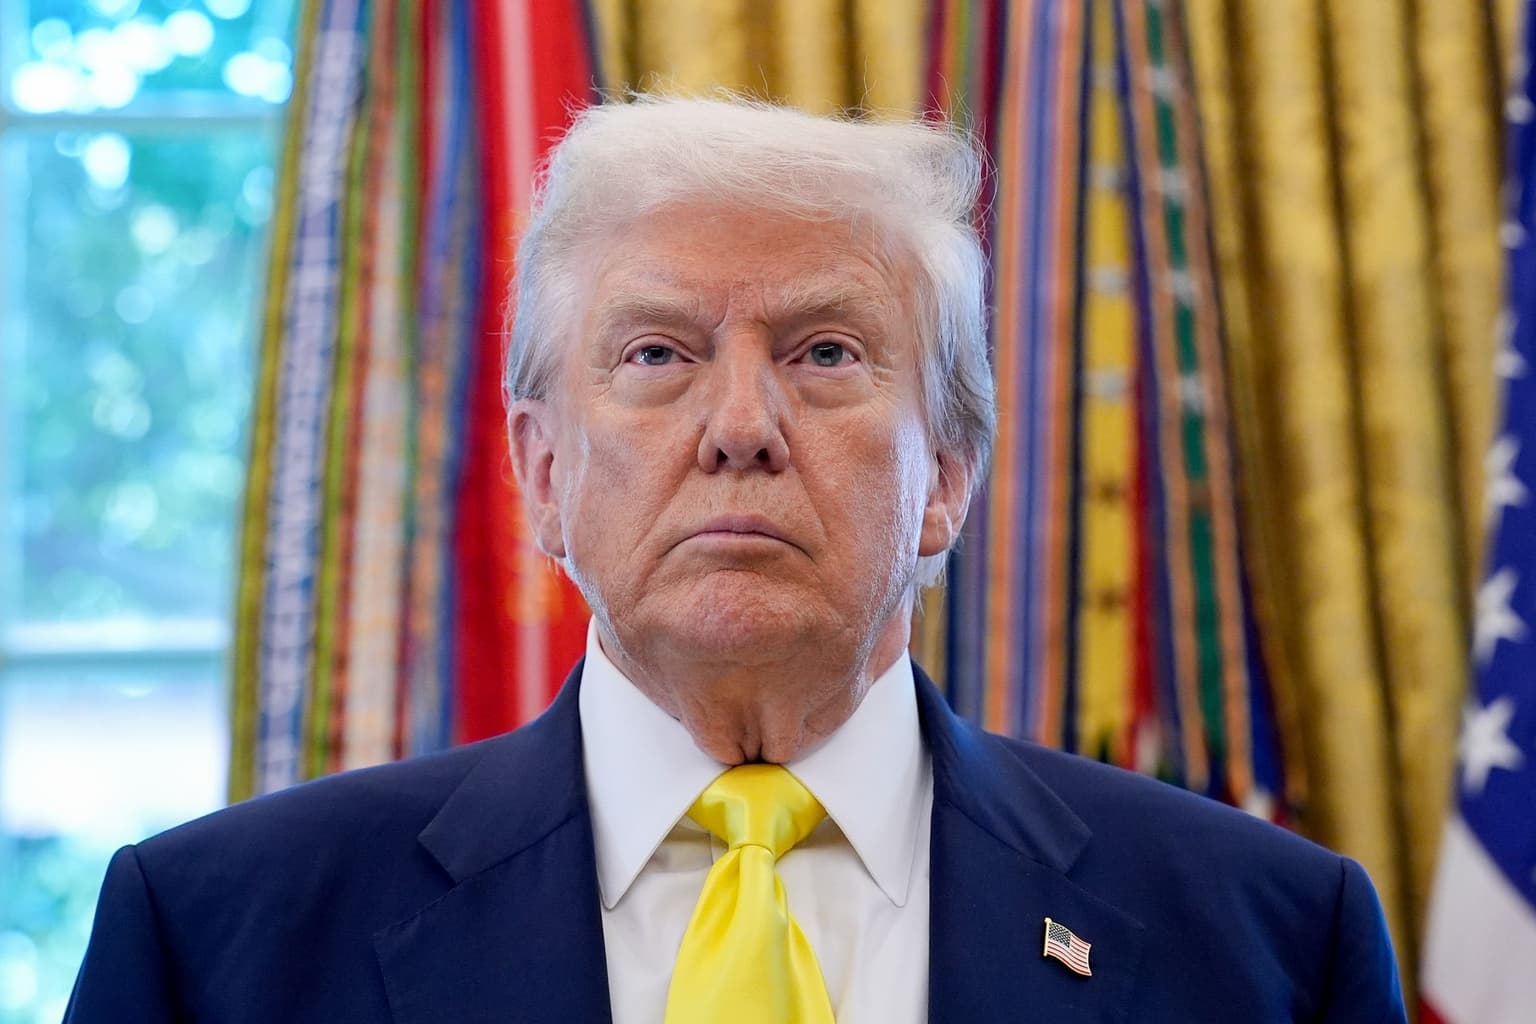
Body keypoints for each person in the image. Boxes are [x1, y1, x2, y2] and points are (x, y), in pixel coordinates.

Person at [66, 96, 1407, 1023]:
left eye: (826, 353)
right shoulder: (216, 938)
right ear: (543, 471)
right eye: (658, 353)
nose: (743, 426)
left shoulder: (1274, 940)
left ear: (946, 475)